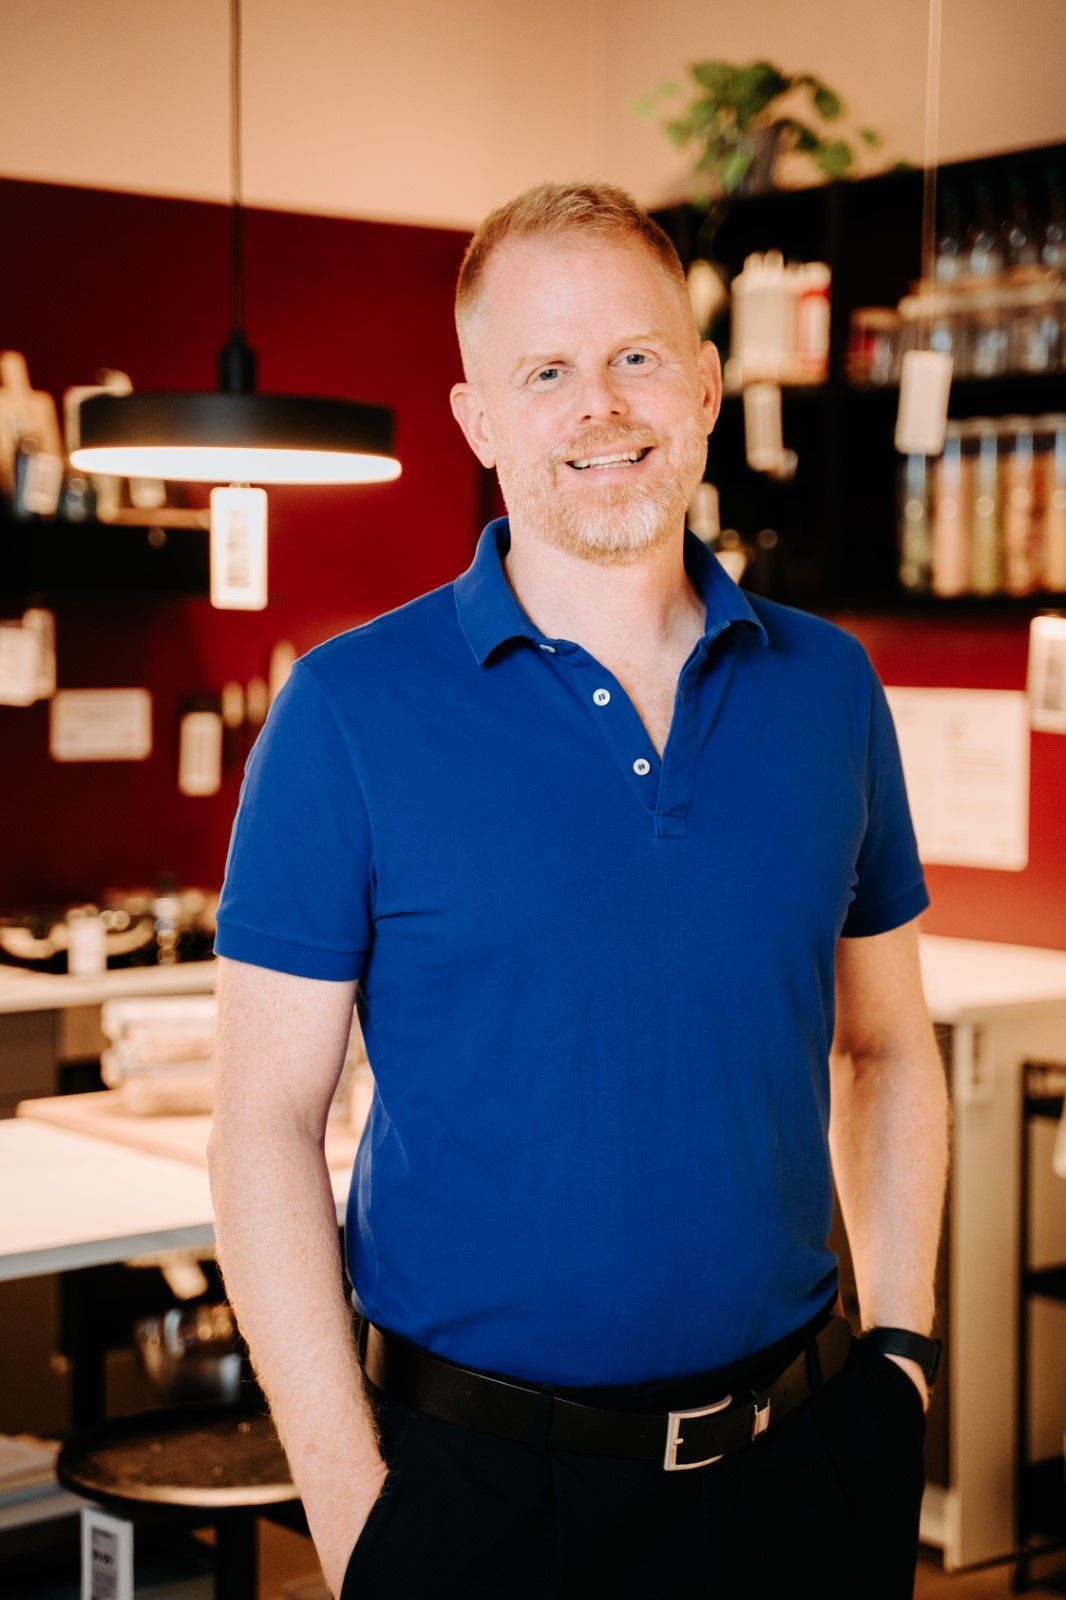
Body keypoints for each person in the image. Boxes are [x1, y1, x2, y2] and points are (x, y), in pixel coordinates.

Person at [208, 181, 950, 1600]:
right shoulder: (348, 712)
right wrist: (352, 1506)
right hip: (479, 1501)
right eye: (543, 371)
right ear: (480, 421)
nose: (598, 405)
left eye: (634, 355)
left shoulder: (829, 688)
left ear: (707, 381)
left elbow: (887, 1044)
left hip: (800, 1478)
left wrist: (901, 1360)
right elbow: (262, 1129)